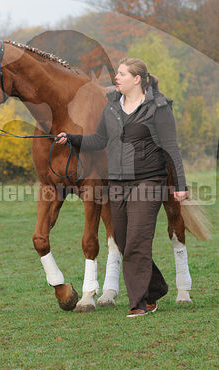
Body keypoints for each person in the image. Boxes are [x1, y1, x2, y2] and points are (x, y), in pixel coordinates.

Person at [56, 57, 189, 317]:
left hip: (148, 181)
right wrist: (70, 138)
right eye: (117, 74)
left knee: (138, 240)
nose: (116, 78)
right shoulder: (112, 108)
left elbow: (171, 148)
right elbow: (99, 139)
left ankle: (138, 303)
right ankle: (156, 287)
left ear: (137, 79)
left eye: (122, 74)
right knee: (122, 240)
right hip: (117, 182)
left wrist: (180, 186)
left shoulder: (158, 107)